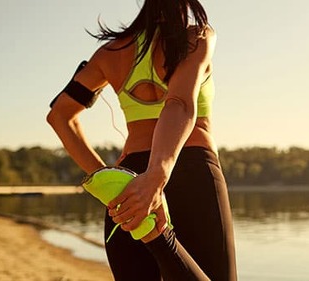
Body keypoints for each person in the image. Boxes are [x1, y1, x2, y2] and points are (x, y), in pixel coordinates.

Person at [46, 0, 237, 280]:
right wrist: (156, 177)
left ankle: (156, 235)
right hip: (191, 171)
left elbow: (59, 116)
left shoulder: (111, 53)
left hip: (129, 183)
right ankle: (159, 236)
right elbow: (179, 103)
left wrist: (106, 180)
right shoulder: (196, 38)